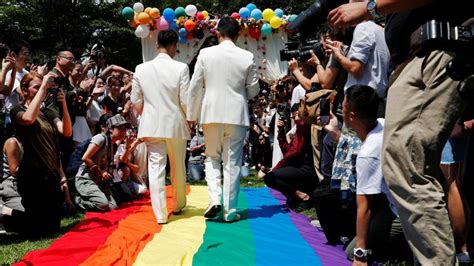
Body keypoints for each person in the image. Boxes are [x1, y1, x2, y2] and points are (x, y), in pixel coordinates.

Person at [328, 0, 473, 264]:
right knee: (408, 167)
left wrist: (370, 8)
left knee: (408, 165)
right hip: (416, 56)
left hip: (433, 49)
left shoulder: (368, 18)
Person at [187, 17, 260, 222]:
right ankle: (230, 211)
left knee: (211, 157)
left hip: (210, 112)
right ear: (237, 35)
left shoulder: (205, 53)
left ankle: (213, 200)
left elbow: (195, 86)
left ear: (217, 33)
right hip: (236, 114)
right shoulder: (247, 56)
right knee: (233, 162)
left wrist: (191, 115)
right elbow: (254, 90)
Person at [131, 29, 190, 224]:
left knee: (155, 169)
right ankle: (180, 203)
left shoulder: (141, 68)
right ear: (174, 46)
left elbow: (135, 100)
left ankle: (160, 214)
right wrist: (190, 117)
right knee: (178, 167)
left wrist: (147, 114)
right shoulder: (181, 68)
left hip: (151, 124)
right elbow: (185, 100)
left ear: (157, 45)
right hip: (175, 124)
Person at [10, 72, 72, 236]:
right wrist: (44, 85)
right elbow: (29, 118)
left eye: (41, 87)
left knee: (53, 228)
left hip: (50, 177)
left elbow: (66, 131)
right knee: (38, 230)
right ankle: (7, 214)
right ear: (24, 90)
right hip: (32, 176)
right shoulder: (17, 110)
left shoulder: (47, 113)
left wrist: (63, 104)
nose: (40, 91)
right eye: (36, 87)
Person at [263, 105, 318, 211]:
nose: (294, 119)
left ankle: (302, 195)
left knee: (270, 177)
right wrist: (281, 131)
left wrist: (275, 169)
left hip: (307, 170)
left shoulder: (304, 126)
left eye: (296, 115)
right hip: (298, 168)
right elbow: (288, 151)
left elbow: (294, 152)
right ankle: (297, 196)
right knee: (272, 178)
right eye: (292, 117)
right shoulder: (299, 127)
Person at [74, 114, 128, 212]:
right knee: (103, 205)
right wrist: (102, 172)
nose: (123, 131)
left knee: (113, 207)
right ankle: (77, 200)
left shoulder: (113, 146)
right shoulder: (100, 138)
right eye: (119, 128)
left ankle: (93, 196)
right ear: (111, 129)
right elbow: (85, 158)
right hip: (86, 179)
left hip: (99, 181)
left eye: (124, 129)